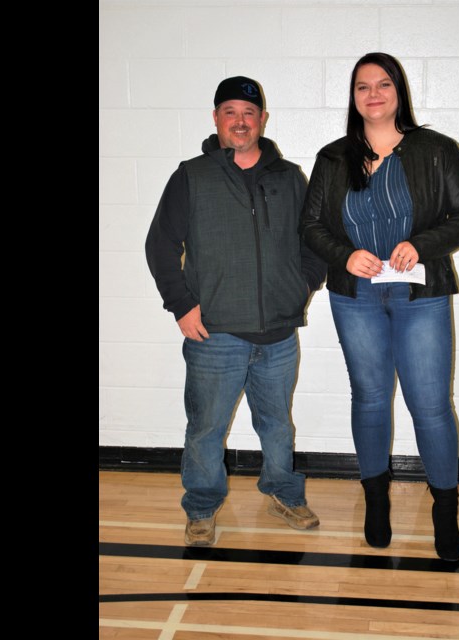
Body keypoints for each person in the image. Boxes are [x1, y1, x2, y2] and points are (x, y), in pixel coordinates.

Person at [300, 53, 459, 561]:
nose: (374, 94)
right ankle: (376, 500)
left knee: (430, 405)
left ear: (399, 91)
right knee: (369, 398)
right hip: (355, 295)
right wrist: (346, 254)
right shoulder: (334, 157)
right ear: (353, 96)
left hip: (420, 295)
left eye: (383, 84)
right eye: (363, 86)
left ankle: (444, 509)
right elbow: (311, 226)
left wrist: (423, 244)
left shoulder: (436, 150)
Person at [146, 76, 326, 546]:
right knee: (205, 428)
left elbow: (315, 243)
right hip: (215, 335)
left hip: (279, 335)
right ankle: (202, 507)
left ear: (262, 120)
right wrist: (182, 306)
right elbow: (160, 245)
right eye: (230, 112)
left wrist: (301, 287)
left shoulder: (289, 178)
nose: (241, 122)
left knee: (277, 424)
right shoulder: (192, 175)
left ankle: (284, 492)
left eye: (249, 113)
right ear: (216, 119)